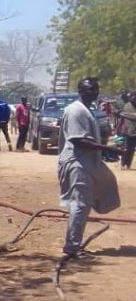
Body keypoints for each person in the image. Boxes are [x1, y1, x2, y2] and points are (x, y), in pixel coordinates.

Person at [58, 77, 120, 256]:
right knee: (80, 204)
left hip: (87, 162)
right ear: (81, 91)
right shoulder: (76, 110)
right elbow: (79, 140)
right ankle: (72, 246)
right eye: (90, 89)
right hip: (77, 162)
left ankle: (74, 243)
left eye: (96, 89)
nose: (94, 92)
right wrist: (108, 148)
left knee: (102, 185)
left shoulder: (87, 110)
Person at [118, 92, 136, 169]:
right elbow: (122, 118)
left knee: (132, 150)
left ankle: (128, 164)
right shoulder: (126, 106)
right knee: (126, 148)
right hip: (127, 131)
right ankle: (123, 163)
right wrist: (118, 128)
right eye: (133, 97)